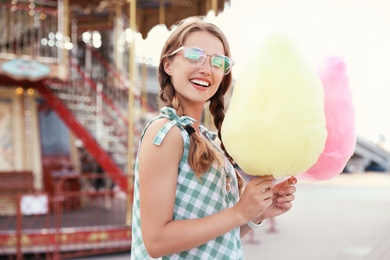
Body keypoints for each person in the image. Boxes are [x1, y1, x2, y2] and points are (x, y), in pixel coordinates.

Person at [131, 16, 298, 259]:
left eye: (218, 62)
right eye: (194, 55)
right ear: (168, 64)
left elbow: (216, 241)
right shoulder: (166, 133)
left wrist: (257, 214)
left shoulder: (207, 140)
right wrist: (240, 211)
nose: (206, 69)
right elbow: (156, 241)